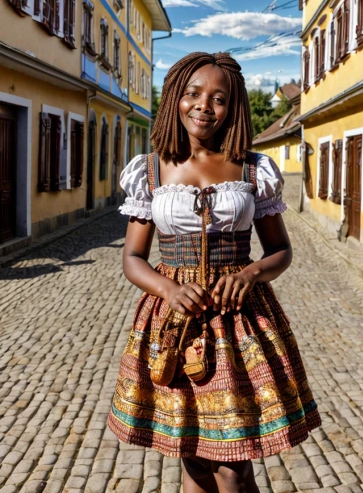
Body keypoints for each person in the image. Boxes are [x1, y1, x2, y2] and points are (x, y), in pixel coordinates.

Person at [108, 52, 321, 493]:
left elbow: (280, 249)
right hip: (173, 323)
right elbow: (133, 258)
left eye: (218, 98)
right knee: (193, 458)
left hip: (240, 322)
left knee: (234, 462)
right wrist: (167, 288)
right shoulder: (149, 170)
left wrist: (251, 274)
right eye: (193, 94)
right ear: (174, 100)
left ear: (233, 107)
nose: (204, 105)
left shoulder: (251, 169)